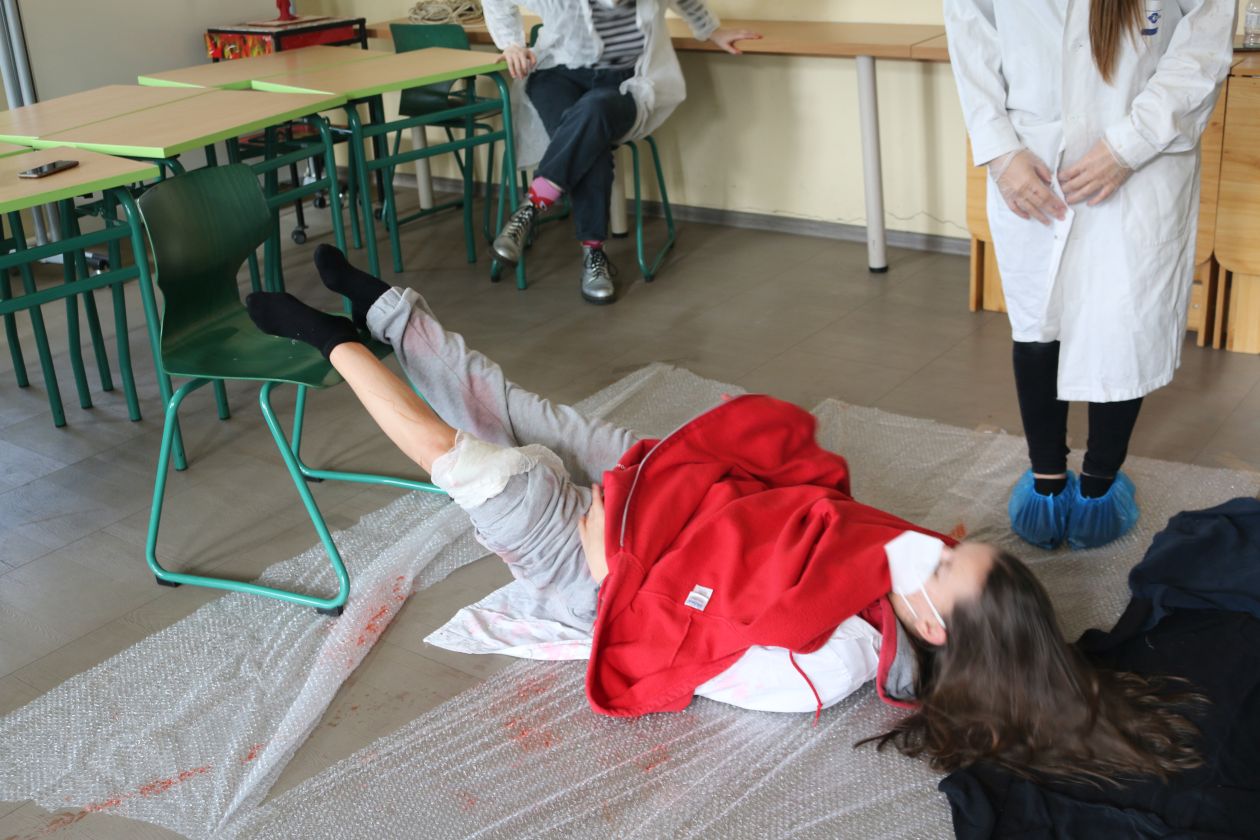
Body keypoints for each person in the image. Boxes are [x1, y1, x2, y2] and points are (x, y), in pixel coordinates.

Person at [245, 245, 1205, 781]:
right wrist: (699, 490)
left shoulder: (827, 668)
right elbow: (807, 510)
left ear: (931, 622)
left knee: (474, 462)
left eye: (949, 568)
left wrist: (629, 550)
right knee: (519, 409)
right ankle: (388, 314)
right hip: (665, 498)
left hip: (591, 566)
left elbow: (692, 634)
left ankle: (331, 344)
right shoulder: (900, 571)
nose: (937, 546)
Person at [943, 0, 1237, 551]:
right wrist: (1001, 151)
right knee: (1039, 318)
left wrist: (1129, 144)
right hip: (1032, 156)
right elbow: (971, 29)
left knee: (1122, 323)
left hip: (1142, 161)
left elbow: (1203, 41)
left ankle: (1099, 484)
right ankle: (1048, 481)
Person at [483, 0, 760, 304]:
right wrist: (511, 44)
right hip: (557, 75)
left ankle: (533, 206)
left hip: (624, 82)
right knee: (590, 142)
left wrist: (711, 30)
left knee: (593, 113)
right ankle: (593, 253)